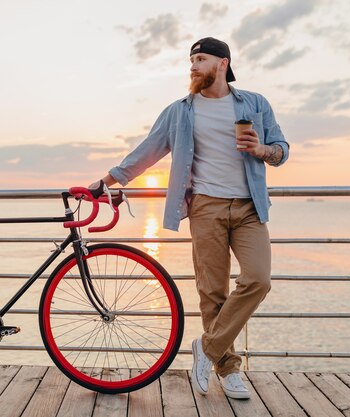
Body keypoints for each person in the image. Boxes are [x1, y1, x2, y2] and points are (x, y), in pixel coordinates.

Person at [89, 37, 289, 400]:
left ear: (223, 64)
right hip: (206, 207)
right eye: (191, 60)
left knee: (258, 279)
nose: (193, 66)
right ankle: (228, 370)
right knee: (212, 293)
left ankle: (207, 349)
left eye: (201, 59)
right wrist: (106, 181)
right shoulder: (180, 110)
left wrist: (262, 150)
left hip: (249, 208)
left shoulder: (255, 103)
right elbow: (146, 152)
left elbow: (281, 150)